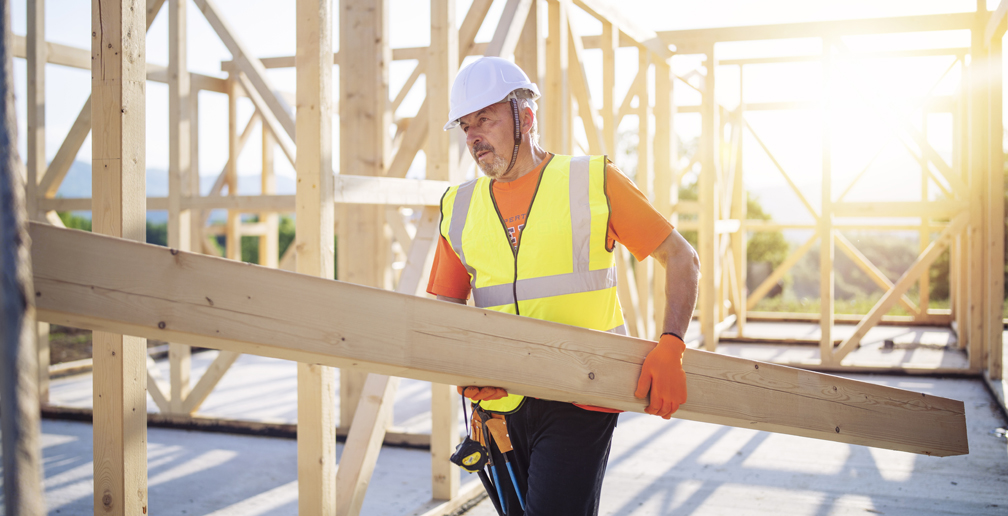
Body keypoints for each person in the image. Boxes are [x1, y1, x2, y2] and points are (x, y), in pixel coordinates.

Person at [427, 56, 700, 516]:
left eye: (486, 120)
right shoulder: (459, 207)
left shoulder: (592, 181)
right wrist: (466, 370)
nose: (474, 136)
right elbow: (443, 311)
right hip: (500, 407)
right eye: (466, 126)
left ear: (525, 119)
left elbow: (680, 257)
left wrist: (671, 344)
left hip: (582, 395)